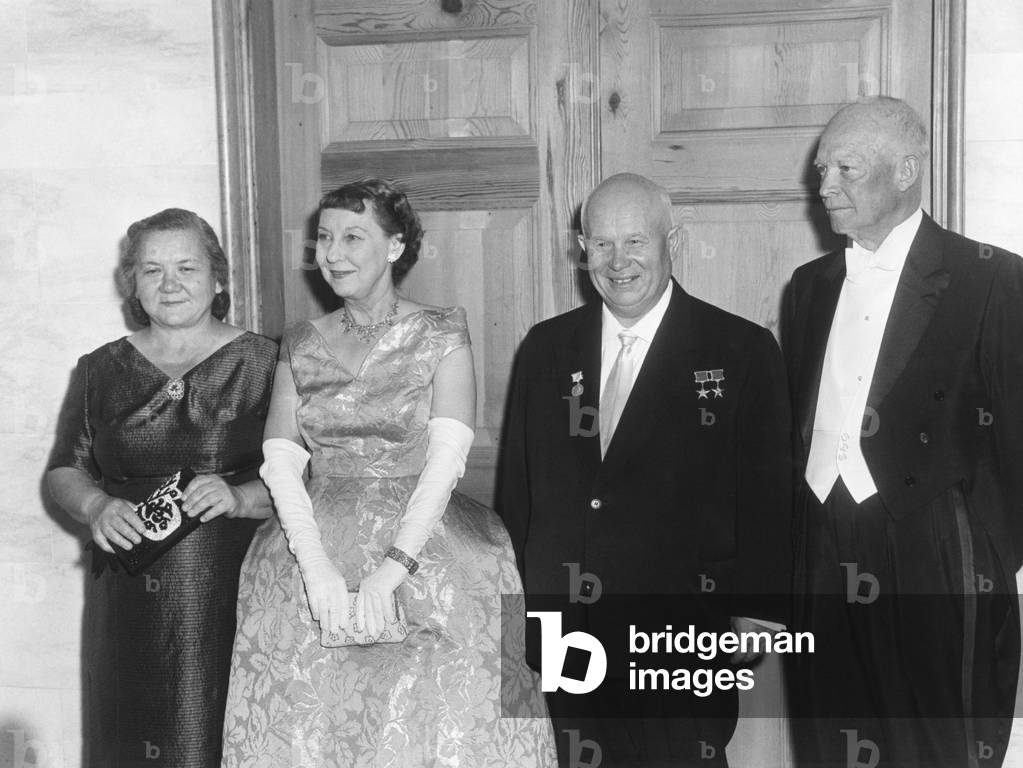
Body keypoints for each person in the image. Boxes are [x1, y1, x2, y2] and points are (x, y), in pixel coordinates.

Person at [220, 179, 556, 767]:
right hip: (312, 541)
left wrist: (392, 569)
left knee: (436, 728)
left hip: (430, 546)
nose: (333, 253)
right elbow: (282, 457)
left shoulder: (442, 330)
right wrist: (316, 566)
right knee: (313, 729)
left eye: (353, 237)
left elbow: (447, 458)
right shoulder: (299, 342)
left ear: (396, 246)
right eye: (324, 238)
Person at [498, 173, 792, 767]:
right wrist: (512, 613)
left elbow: (770, 497)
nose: (617, 261)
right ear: (582, 251)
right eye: (600, 244)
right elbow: (516, 493)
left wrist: (759, 612)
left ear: (672, 241)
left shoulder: (740, 350)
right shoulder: (545, 349)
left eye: (636, 242)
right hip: (566, 631)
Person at [784, 96, 1023, 767]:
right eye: (822, 168)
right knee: (829, 736)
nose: (823, 185)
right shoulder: (808, 287)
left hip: (935, 551)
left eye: (845, 169)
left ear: (906, 170)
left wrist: (978, 546)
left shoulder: (991, 278)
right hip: (822, 547)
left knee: (933, 745)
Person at [45, 208, 277, 767]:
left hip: (236, 586)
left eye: (186, 267)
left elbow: (313, 475)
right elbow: (62, 470)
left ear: (218, 278)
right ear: (133, 284)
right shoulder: (99, 369)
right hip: (127, 591)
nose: (169, 284)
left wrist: (242, 497)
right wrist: (95, 504)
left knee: (223, 734)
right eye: (151, 270)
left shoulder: (269, 362)